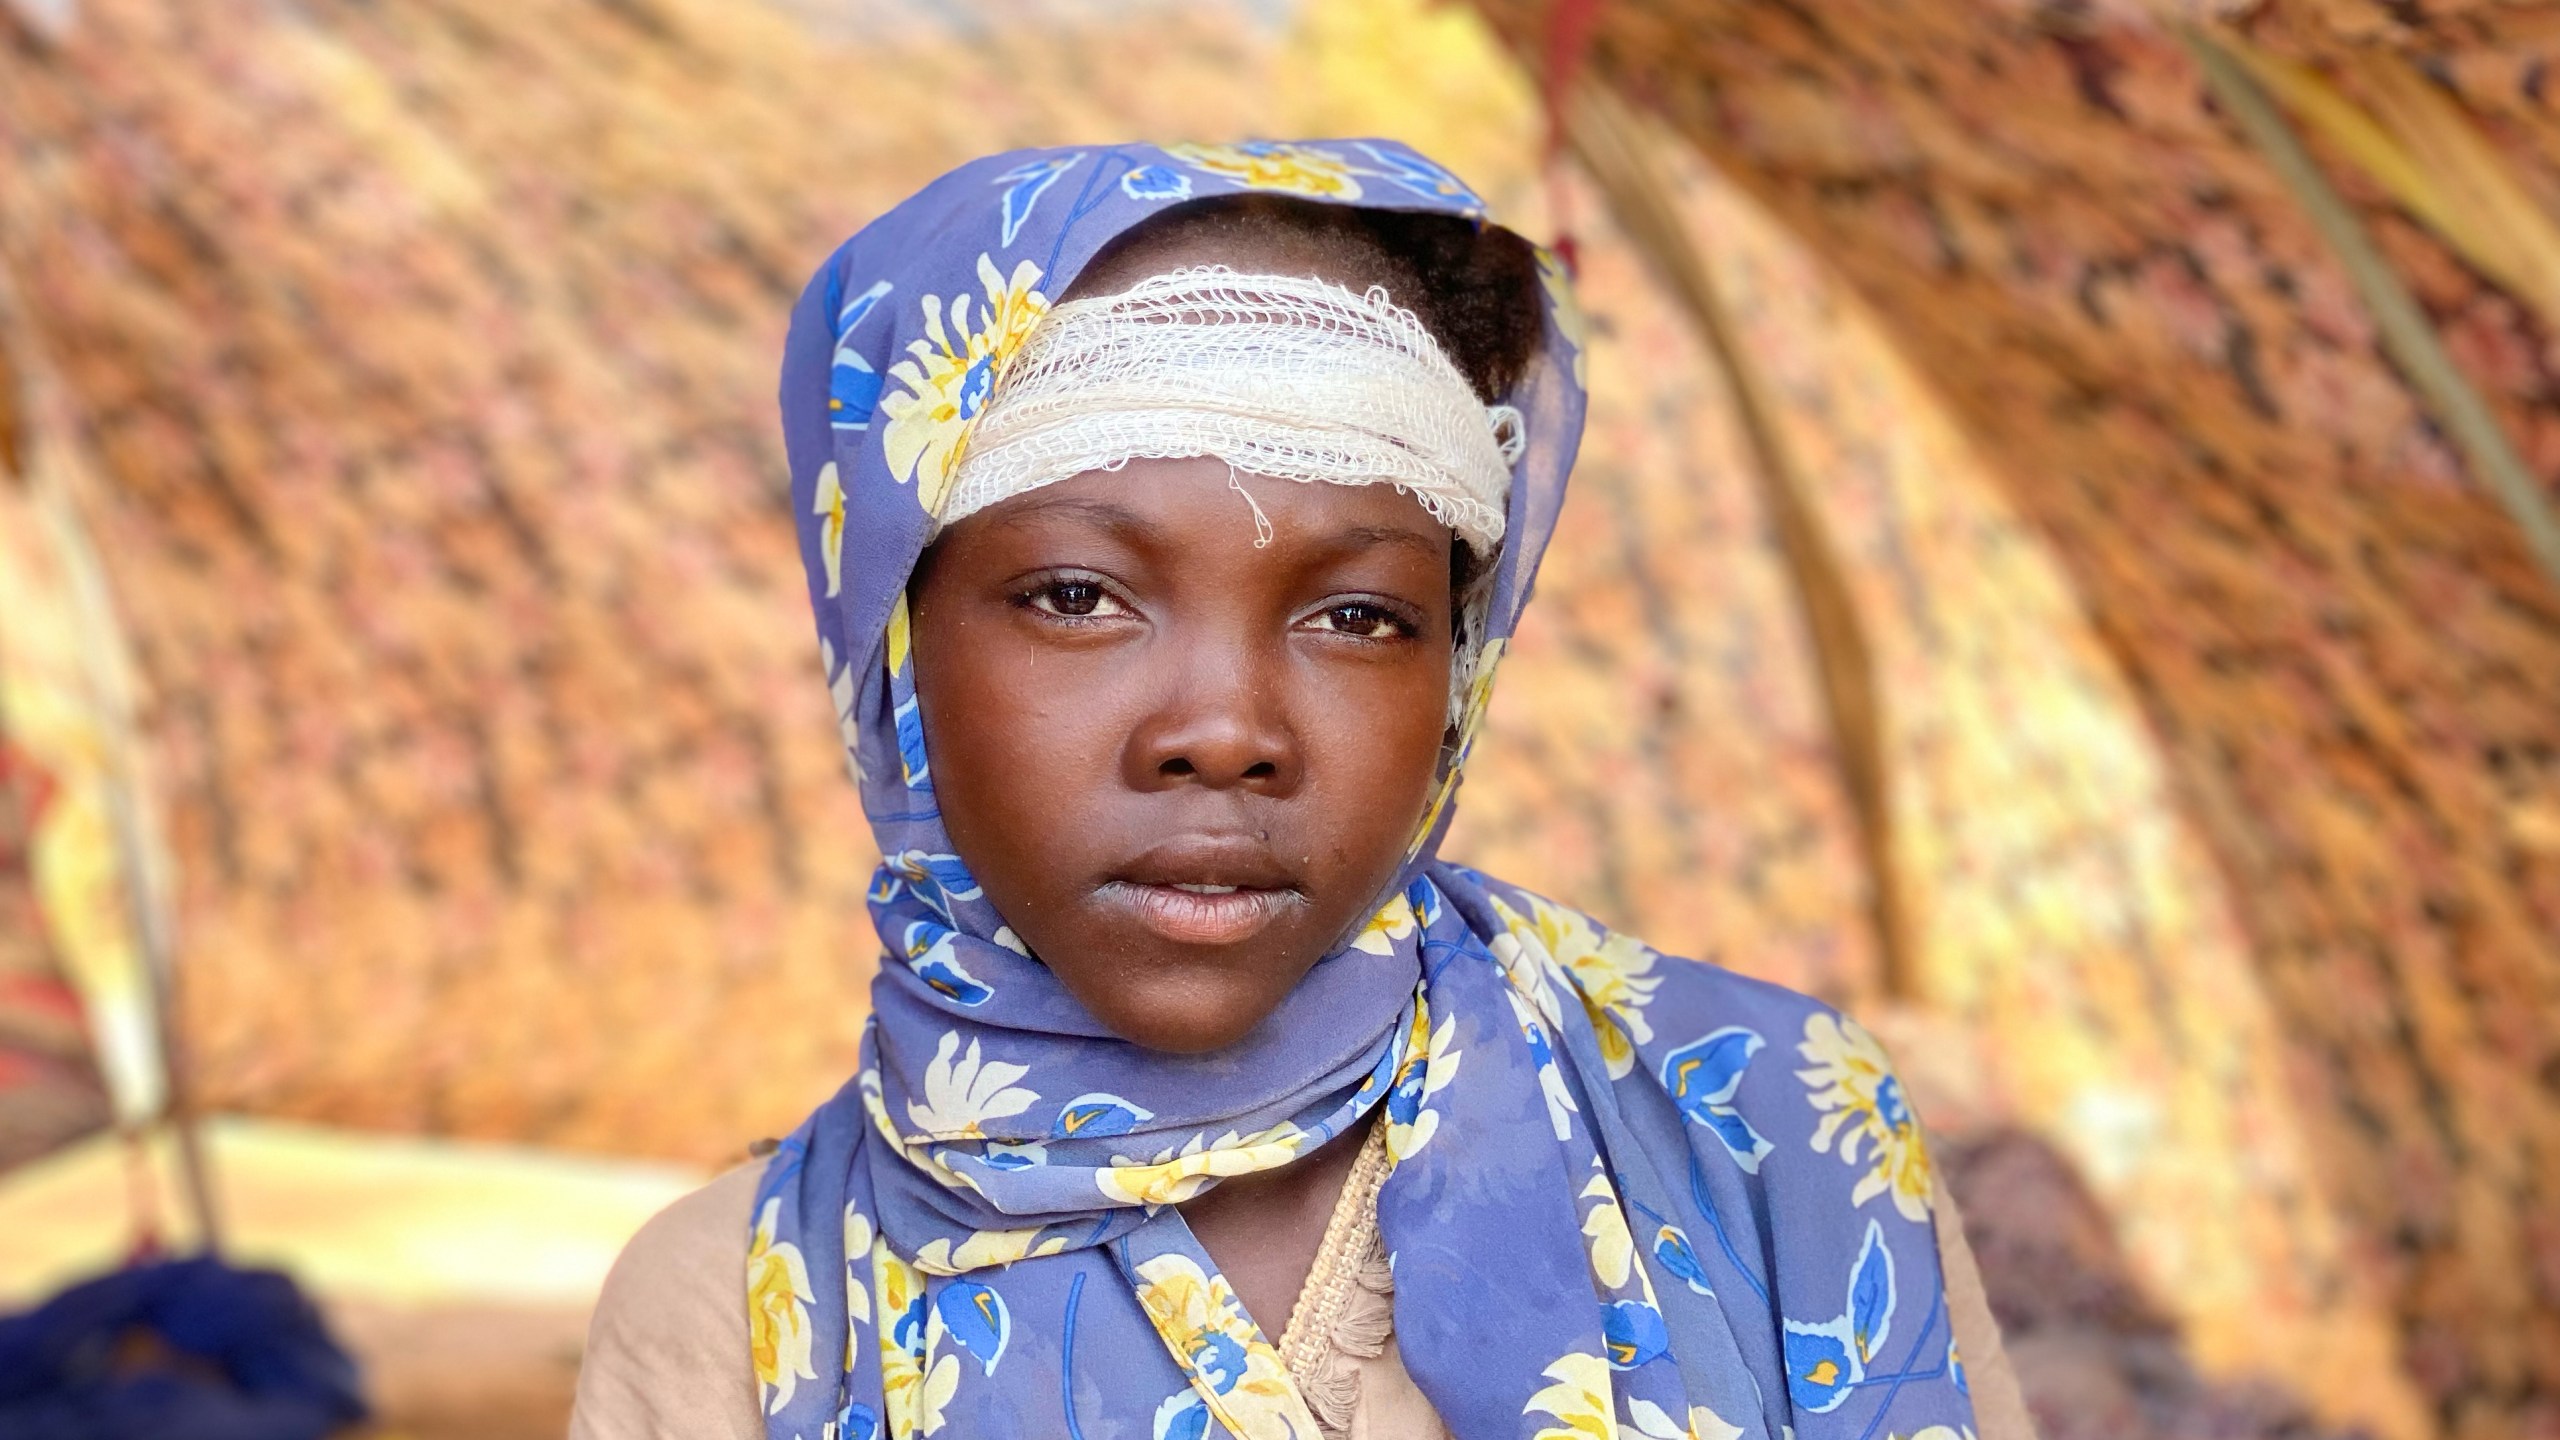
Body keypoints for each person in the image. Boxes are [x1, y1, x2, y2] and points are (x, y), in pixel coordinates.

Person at [571, 139, 2028, 1440]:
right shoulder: (745, 1319)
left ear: (1455, 674)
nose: (1225, 730)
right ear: (898, 655)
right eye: (1077, 595)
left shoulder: (1774, 1140)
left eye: (1357, 617)